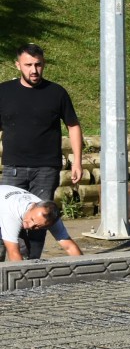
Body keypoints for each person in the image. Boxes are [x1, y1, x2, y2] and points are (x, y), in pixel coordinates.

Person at [0, 44, 84, 255]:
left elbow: (73, 126)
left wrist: (77, 161)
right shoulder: (4, 92)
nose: (34, 70)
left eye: (38, 65)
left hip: (46, 168)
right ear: (18, 65)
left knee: (40, 221)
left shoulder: (56, 93)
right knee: (5, 221)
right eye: (28, 65)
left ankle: (33, 264)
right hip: (14, 167)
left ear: (43, 64)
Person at [0, 185, 82, 261]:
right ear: (32, 206)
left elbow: (69, 247)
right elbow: (13, 252)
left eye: (37, 226)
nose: (30, 226)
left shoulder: (52, 218)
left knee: (24, 254)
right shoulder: (12, 215)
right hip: (5, 205)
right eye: (32, 219)